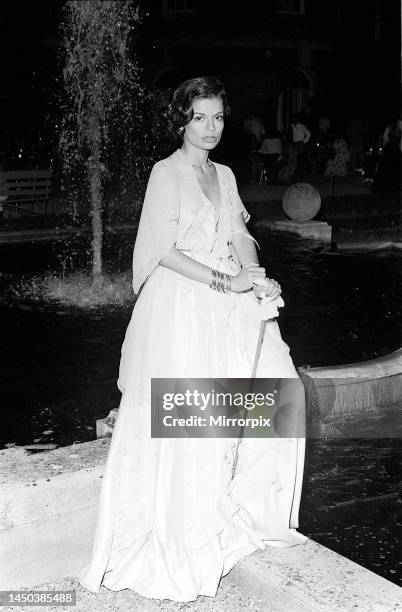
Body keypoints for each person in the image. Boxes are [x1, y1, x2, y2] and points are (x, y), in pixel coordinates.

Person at [78, 76, 307, 603]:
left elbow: (238, 234)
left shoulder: (224, 174)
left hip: (230, 297)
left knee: (280, 392)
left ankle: (245, 507)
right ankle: (185, 530)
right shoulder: (166, 173)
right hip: (184, 303)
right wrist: (225, 281)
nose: (210, 128)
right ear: (181, 119)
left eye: (218, 117)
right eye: (199, 117)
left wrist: (256, 272)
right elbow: (162, 249)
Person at [291, 114, 311, 181]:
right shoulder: (293, 126)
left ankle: (302, 176)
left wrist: (304, 141)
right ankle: (296, 176)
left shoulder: (301, 126)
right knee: (295, 159)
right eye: (294, 120)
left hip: (300, 143)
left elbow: (308, 133)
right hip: (295, 144)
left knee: (300, 159)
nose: (294, 121)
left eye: (296, 119)